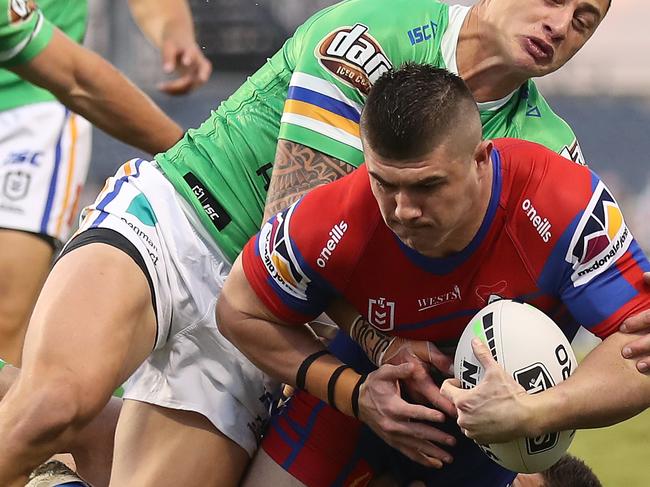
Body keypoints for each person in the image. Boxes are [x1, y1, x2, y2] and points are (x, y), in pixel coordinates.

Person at [0, 0, 647, 485]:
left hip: (281, 317)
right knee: (53, 404)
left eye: (585, 20)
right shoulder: (374, 31)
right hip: (189, 218)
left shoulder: (549, 151)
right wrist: (381, 346)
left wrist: (529, 414)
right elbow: (297, 227)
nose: (562, 24)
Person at [216, 63, 650, 486]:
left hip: (483, 442)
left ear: (480, 159)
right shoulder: (335, 217)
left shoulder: (561, 202)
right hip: (352, 405)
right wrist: (355, 394)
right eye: (384, 183)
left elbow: (640, 345)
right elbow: (239, 310)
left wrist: (534, 413)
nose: (403, 210)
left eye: (427, 186)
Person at [0, 0, 211, 365]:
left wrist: (172, 28)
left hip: (34, 107)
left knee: (4, 319)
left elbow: (76, 79)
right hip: (45, 68)